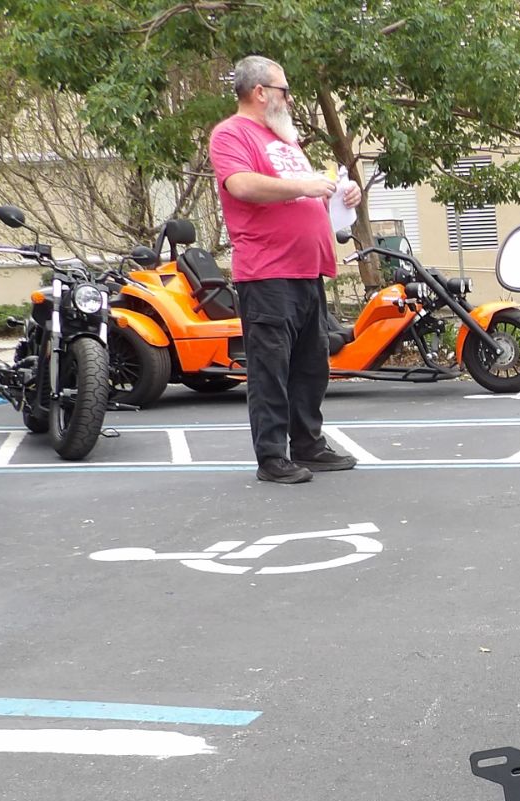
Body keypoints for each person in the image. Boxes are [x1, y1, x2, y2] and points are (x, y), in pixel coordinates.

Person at [208, 56, 363, 485]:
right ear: (260, 92)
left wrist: (339, 195)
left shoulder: (285, 140)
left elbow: (309, 195)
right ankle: (272, 457)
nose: (290, 99)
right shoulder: (231, 134)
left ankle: (308, 445)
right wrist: (306, 186)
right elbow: (241, 184)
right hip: (267, 272)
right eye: (284, 90)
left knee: (311, 366)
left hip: (307, 269)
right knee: (271, 368)